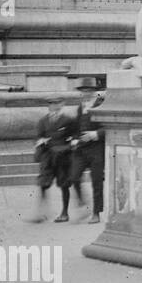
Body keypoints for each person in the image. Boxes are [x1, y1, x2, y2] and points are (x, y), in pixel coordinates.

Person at [35, 92, 82, 223]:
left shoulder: (68, 120)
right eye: (51, 103)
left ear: (62, 104)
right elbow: (39, 136)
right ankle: (42, 212)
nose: (53, 106)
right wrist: (41, 141)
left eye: (56, 103)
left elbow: (76, 134)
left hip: (63, 156)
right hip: (48, 156)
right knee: (43, 183)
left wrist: (73, 142)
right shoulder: (43, 121)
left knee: (64, 185)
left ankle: (64, 213)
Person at [70, 77, 106, 225]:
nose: (85, 94)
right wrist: (74, 139)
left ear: (94, 91)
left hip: (96, 149)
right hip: (81, 150)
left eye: (88, 91)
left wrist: (95, 134)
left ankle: (96, 213)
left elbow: (108, 127)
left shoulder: (101, 105)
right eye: (83, 91)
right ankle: (82, 204)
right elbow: (77, 128)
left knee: (96, 182)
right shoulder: (80, 107)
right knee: (73, 177)